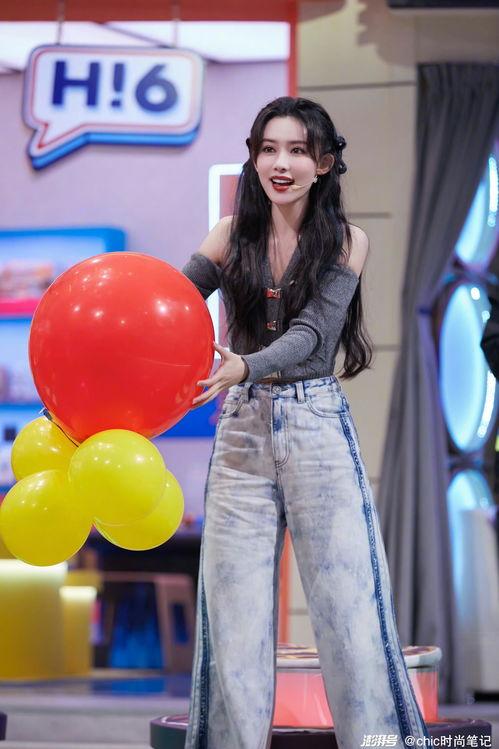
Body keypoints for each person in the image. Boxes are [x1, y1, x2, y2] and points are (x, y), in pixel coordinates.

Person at [181, 96, 430, 749]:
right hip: (241, 432)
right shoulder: (228, 235)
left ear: (323, 162)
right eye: (268, 149)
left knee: (351, 616)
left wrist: (244, 365)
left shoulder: (347, 241)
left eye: (296, 150)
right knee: (231, 626)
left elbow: (314, 336)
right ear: (253, 157)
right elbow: (171, 305)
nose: (280, 163)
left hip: (316, 424)